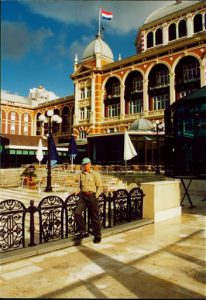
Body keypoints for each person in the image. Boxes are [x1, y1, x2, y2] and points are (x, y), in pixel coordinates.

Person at [74, 157, 103, 243]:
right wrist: (77, 191)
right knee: (77, 213)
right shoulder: (81, 174)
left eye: (86, 164)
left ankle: (98, 235)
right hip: (83, 196)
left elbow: (100, 187)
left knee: (94, 217)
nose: (85, 166)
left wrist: (96, 196)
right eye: (84, 164)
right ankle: (83, 231)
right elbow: (80, 186)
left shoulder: (95, 174)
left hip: (92, 196)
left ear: (90, 164)